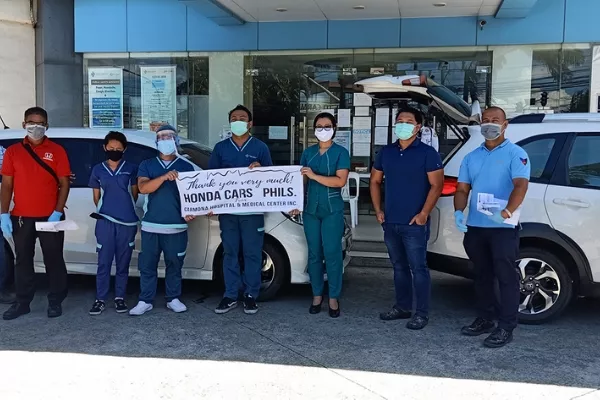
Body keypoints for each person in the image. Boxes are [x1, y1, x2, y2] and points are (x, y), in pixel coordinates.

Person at [454, 106, 530, 348]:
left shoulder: (516, 154)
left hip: (503, 227)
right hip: (476, 227)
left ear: (505, 125)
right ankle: (485, 318)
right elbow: (462, 189)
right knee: (482, 275)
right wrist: (458, 211)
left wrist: (506, 212)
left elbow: (520, 186)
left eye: (495, 120)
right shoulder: (471, 157)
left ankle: (506, 326)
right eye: (485, 120)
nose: (489, 124)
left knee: (506, 277)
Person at [370, 107, 444, 330]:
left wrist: (423, 214)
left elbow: (436, 185)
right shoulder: (386, 152)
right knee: (398, 267)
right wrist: (378, 210)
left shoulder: (428, 153)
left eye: (408, 121)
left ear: (418, 127)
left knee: (418, 268)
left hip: (414, 223)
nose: (403, 124)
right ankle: (402, 307)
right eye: (399, 121)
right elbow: (374, 181)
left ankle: (421, 313)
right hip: (391, 221)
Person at [1, 107, 71, 320]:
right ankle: (22, 303)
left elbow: (64, 183)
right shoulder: (13, 151)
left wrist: (57, 212)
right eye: (31, 122)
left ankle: (55, 301)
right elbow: (6, 185)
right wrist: (4, 213)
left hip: (51, 217)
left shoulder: (57, 150)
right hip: (21, 217)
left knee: (54, 260)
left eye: (40, 123)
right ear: (24, 124)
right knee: (22, 260)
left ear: (47, 126)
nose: (36, 127)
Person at [209, 105, 273, 315]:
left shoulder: (260, 148)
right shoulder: (220, 148)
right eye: (234, 118)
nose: (238, 121)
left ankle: (250, 295)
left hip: (252, 213)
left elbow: (272, 179)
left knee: (253, 254)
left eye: (242, 118)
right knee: (230, 253)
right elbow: (210, 180)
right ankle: (230, 295)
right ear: (230, 123)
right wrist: (209, 204)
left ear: (250, 123)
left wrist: (261, 171)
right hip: (228, 213)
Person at [129, 124, 198, 316]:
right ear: (156, 142)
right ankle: (145, 300)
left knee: (174, 264)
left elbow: (194, 197)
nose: (166, 140)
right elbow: (143, 188)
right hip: (152, 225)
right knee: (148, 265)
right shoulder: (147, 165)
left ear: (176, 141)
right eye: (161, 137)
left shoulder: (186, 166)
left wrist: (192, 211)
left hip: (177, 226)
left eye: (170, 136)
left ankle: (173, 298)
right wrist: (164, 177)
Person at [291, 112, 350, 318]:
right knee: (314, 254)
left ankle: (333, 297)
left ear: (334, 128)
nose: (323, 130)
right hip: (310, 210)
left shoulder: (341, 153)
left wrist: (314, 175)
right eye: (319, 126)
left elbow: (339, 181)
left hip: (332, 209)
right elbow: (301, 183)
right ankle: (317, 295)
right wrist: (295, 203)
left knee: (332, 253)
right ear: (314, 129)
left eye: (327, 126)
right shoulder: (308, 153)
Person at [88, 131, 139, 315]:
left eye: (118, 148)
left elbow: (134, 193)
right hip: (105, 222)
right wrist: (109, 211)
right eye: (111, 148)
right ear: (105, 148)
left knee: (123, 263)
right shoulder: (98, 170)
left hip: (127, 224)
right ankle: (100, 299)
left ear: (124, 149)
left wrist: (123, 210)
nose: (114, 151)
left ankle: (119, 298)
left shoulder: (131, 168)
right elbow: (96, 198)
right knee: (104, 262)